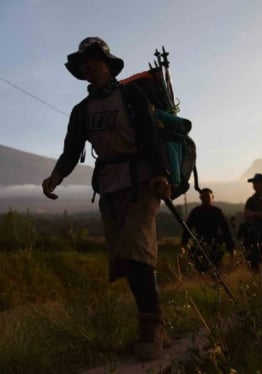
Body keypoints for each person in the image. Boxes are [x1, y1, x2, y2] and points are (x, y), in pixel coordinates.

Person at [41, 37, 171, 361]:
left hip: (141, 179)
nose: (89, 63)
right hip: (111, 187)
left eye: (94, 57)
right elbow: (72, 149)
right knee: (125, 258)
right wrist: (56, 176)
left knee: (136, 248)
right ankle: (151, 318)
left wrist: (159, 173)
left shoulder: (131, 95)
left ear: (107, 63)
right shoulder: (82, 111)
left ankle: (152, 325)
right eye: (84, 60)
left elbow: (149, 135)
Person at [180, 188, 235, 270]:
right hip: (199, 245)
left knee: (215, 270)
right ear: (200, 198)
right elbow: (188, 230)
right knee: (201, 270)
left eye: (207, 196)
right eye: (203, 196)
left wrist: (231, 248)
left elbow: (225, 230)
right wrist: (183, 245)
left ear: (212, 197)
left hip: (215, 245)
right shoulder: (196, 212)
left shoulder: (217, 212)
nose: (205, 198)